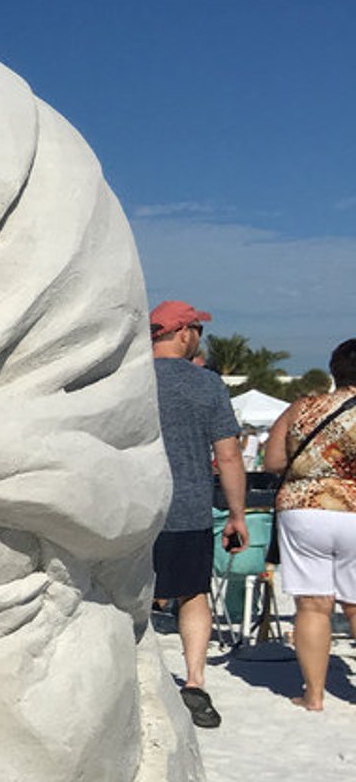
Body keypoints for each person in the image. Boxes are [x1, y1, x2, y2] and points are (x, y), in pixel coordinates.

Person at [148, 299, 248, 728]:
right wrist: (238, 515)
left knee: (127, 595)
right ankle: (193, 680)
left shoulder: (124, 380)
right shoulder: (206, 385)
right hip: (187, 508)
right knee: (192, 594)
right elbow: (227, 456)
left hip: (132, 508)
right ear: (185, 332)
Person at [262, 337, 356, 710]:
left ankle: (313, 696)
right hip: (353, 509)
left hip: (302, 509)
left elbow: (271, 462)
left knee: (313, 605)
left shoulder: (301, 407)